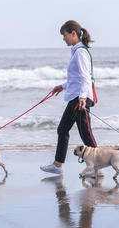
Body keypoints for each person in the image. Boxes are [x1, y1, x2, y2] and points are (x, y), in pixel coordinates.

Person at [40, 20, 98, 175]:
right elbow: (76, 78)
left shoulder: (80, 52)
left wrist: (83, 98)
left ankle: (97, 167)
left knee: (85, 133)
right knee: (63, 129)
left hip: (80, 98)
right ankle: (58, 165)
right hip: (76, 96)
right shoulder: (77, 51)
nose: (63, 38)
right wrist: (62, 86)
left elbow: (86, 77)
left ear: (73, 33)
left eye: (64, 35)